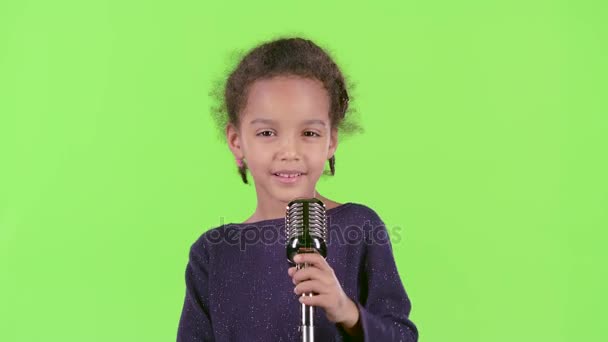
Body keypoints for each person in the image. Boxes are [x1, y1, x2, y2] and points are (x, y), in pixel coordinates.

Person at [177, 36, 418, 341]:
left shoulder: (359, 227)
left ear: (331, 141)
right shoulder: (214, 253)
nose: (289, 151)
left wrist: (347, 312)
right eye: (267, 132)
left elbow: (401, 336)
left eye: (309, 132)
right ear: (237, 141)